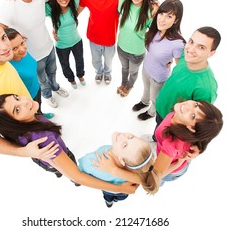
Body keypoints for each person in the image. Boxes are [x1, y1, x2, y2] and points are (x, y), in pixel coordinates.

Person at [0, 93, 138, 194]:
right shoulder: (46, 141)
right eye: (17, 110)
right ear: (12, 124)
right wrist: (119, 188)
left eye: (17, 98)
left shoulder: (21, 128)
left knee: (58, 169)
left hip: (43, 160)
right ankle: (61, 174)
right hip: (53, 159)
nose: (25, 102)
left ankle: (58, 172)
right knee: (69, 172)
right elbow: (78, 176)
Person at [0, 16, 54, 161]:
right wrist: (25, 151)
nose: (5, 47)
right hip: (26, 127)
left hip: (29, 98)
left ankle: (41, 116)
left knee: (39, 111)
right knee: (51, 158)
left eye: (3, 37)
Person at [93, 100, 223, 189]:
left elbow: (151, 181)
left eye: (193, 116)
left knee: (159, 181)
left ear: (191, 128)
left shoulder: (170, 144)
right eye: (196, 104)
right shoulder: (180, 115)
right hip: (172, 156)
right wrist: (200, 149)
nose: (188, 107)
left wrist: (113, 170)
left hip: (171, 169)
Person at [0, 0, 68, 108]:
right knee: (41, 80)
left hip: (49, 48)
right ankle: (47, 95)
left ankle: (55, 86)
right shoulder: (10, 5)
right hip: (32, 57)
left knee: (53, 73)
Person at [153, 26, 221, 141]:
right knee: (157, 132)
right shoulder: (186, 56)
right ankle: (155, 137)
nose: (191, 49)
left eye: (201, 47)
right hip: (161, 110)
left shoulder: (206, 87)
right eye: (191, 41)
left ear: (211, 53)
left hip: (174, 124)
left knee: (163, 142)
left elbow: (201, 124)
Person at [132, 0, 185, 120]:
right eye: (161, 14)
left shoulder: (178, 43)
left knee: (155, 98)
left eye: (169, 16)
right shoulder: (155, 29)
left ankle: (151, 112)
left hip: (158, 78)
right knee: (145, 89)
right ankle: (144, 102)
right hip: (146, 68)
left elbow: (180, 67)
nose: (162, 19)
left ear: (176, 20)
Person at [78, 131, 159, 207]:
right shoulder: (137, 168)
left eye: (125, 145)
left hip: (109, 190)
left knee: (108, 196)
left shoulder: (95, 160)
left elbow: (79, 170)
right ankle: (114, 200)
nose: (122, 136)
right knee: (121, 196)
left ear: (122, 160)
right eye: (131, 137)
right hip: (123, 193)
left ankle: (109, 202)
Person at [78, 0, 122, 85]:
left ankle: (107, 73)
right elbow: (76, 13)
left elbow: (132, 3)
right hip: (93, 38)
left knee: (108, 61)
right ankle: (99, 71)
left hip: (110, 40)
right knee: (95, 61)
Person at [116, 0, 159, 97]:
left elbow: (156, 33)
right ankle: (123, 83)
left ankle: (129, 86)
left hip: (136, 53)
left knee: (133, 72)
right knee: (124, 68)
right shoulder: (123, 1)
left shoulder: (151, 10)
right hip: (121, 47)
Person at [46, 0, 92, 89]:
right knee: (65, 65)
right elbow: (35, 1)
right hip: (61, 45)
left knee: (80, 60)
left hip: (76, 41)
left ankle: (80, 75)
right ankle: (71, 79)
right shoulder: (50, 8)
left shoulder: (74, 0)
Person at [5, 28, 54, 119]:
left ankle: (41, 115)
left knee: (39, 106)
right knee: (32, 114)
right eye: (15, 48)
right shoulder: (10, 68)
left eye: (22, 43)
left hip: (36, 87)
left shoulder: (24, 53)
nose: (22, 49)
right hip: (27, 97)